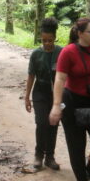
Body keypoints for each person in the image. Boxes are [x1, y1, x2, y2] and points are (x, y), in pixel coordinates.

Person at [49, 18, 90, 181]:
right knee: (76, 143)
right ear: (80, 33)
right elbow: (60, 79)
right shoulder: (68, 52)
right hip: (73, 102)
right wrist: (56, 105)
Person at [25, 17, 63, 170]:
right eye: (44, 40)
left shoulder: (62, 52)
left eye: (50, 40)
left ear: (55, 38)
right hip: (40, 92)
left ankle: (50, 156)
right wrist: (27, 97)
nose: (47, 43)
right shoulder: (36, 54)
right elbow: (31, 75)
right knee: (41, 123)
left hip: (56, 93)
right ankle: (38, 155)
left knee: (53, 123)